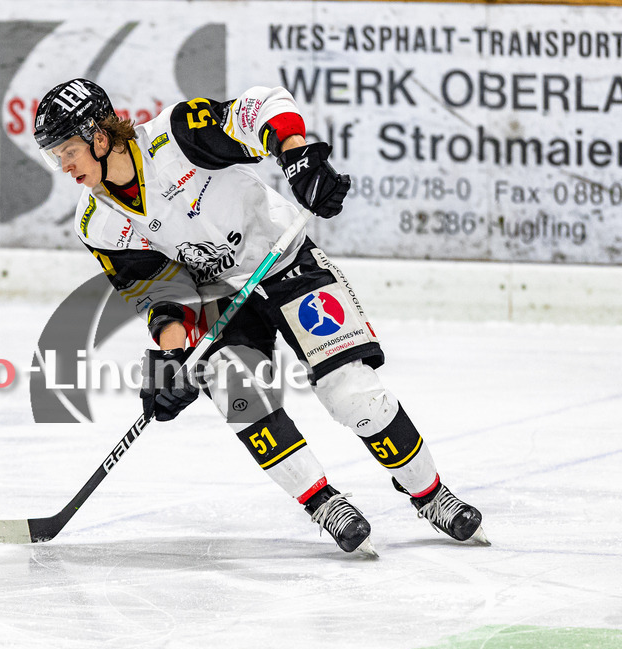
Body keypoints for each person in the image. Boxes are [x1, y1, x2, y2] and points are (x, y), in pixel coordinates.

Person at [32, 78, 488, 556]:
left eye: (67, 150)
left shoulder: (176, 137)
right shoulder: (96, 222)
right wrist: (172, 360)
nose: (63, 166)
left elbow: (264, 105)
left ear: (100, 138)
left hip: (287, 261)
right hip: (219, 297)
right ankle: (325, 504)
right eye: (54, 156)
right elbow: (160, 292)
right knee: (241, 398)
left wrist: (298, 157)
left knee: (351, 393)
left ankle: (431, 494)